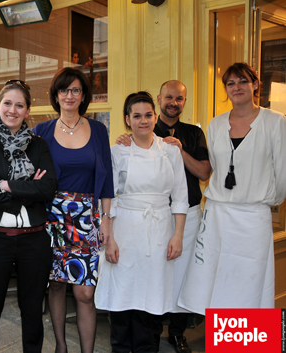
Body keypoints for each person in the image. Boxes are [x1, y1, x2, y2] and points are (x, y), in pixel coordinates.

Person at [178, 63, 286, 313]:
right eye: (230, 83)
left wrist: (265, 200)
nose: (236, 87)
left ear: (255, 85)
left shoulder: (275, 122)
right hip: (217, 214)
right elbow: (215, 167)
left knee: (250, 281)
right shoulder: (215, 124)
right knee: (216, 280)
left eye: (243, 81)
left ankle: (247, 345)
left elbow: (281, 173)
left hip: (253, 215)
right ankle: (221, 342)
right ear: (225, 89)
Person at [115, 81, 210, 353]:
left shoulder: (188, 137)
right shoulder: (129, 141)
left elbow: (202, 174)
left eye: (180, 98)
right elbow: (111, 192)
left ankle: (173, 334)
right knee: (136, 284)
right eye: (169, 97)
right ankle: (133, 342)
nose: (174, 102)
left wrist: (178, 150)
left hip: (180, 217)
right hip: (137, 221)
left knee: (173, 281)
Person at [0, 80, 57, 353]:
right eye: (7, 103)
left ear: (28, 111)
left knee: (32, 313)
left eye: (19, 105)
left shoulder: (38, 145)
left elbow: (47, 188)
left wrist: (4, 185)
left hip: (34, 241)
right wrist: (26, 190)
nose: (12, 110)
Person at [95, 91, 188, 353]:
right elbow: (108, 197)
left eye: (148, 115)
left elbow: (180, 197)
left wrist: (178, 235)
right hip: (123, 230)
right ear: (127, 120)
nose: (143, 120)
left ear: (155, 117)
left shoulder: (170, 151)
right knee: (122, 299)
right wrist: (109, 239)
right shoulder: (117, 151)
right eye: (137, 116)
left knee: (152, 300)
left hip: (159, 231)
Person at [32, 67, 114, 353]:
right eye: (64, 90)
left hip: (86, 217)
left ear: (83, 96)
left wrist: (105, 220)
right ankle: (61, 346)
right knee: (55, 285)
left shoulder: (99, 130)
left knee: (84, 292)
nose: (69, 95)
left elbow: (108, 179)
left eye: (75, 90)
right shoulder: (41, 131)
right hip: (51, 216)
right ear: (56, 95)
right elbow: (15, 154)